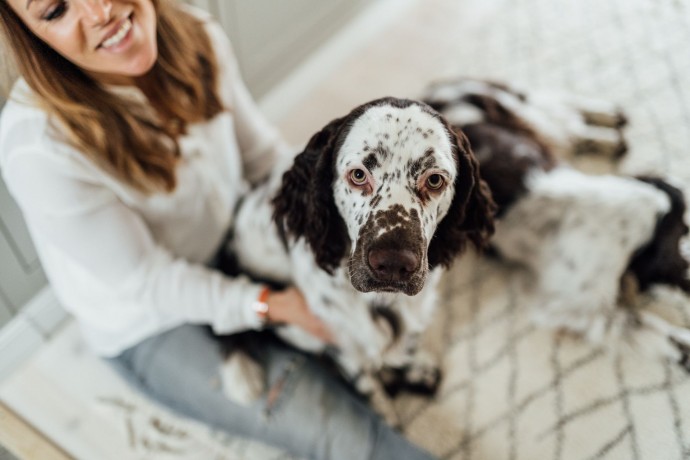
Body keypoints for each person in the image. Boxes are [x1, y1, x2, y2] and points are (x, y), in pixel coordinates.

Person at [0, 1, 439, 459]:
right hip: (154, 319)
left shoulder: (196, 32)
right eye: (55, 9)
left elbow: (264, 162)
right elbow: (151, 282)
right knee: (345, 434)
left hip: (238, 238)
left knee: (373, 318)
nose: (101, 11)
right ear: (30, 34)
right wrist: (278, 306)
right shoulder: (37, 149)